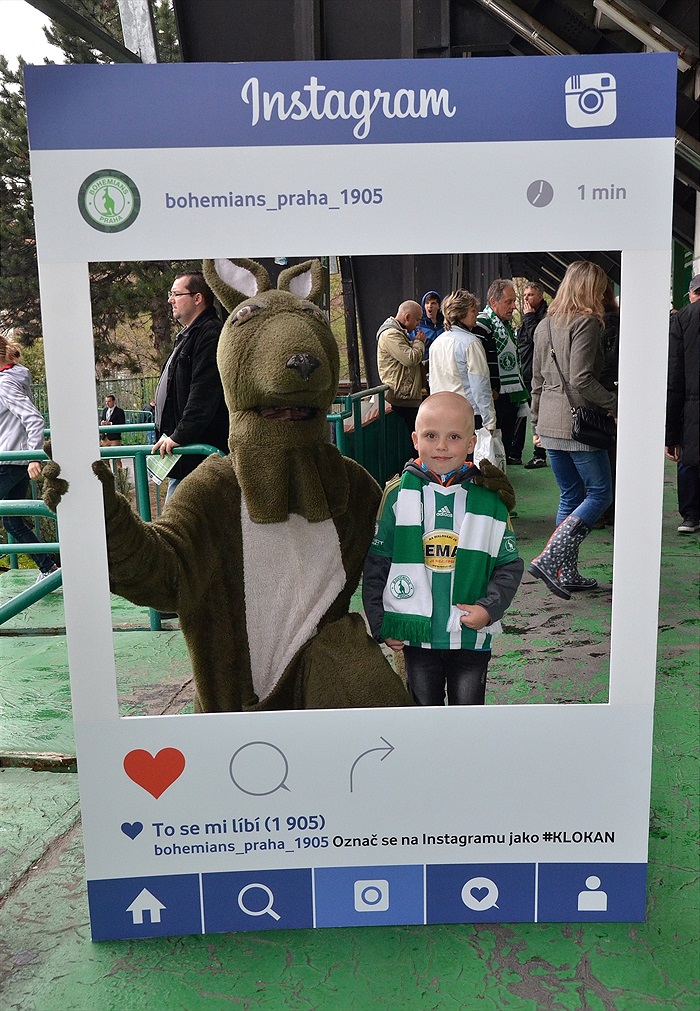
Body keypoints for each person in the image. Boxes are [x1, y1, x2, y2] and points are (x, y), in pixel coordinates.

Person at [363, 392, 523, 706]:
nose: (441, 446)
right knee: (425, 714)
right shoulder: (396, 495)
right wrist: (381, 623)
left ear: (471, 443)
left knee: (468, 719)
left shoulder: (489, 499)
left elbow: (509, 566)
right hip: (417, 639)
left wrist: (489, 608)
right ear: (415, 439)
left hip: (469, 638)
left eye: (453, 437)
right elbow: (378, 563)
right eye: (431, 436)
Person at [528, 261, 617, 599]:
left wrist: (537, 423)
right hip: (577, 425)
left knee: (570, 494)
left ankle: (566, 571)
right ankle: (551, 558)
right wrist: (614, 403)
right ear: (589, 288)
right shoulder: (587, 323)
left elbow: (536, 380)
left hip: (550, 424)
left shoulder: (544, 325)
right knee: (600, 493)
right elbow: (582, 379)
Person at [153, 271, 229, 501]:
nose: (170, 300)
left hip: (198, 454)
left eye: (176, 294)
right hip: (186, 454)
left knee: (179, 527)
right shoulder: (188, 334)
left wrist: (179, 436)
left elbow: (204, 393)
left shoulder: (210, 334)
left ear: (198, 298)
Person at [0, 335, 59, 584]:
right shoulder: (14, 376)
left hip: (10, 461)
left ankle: (49, 568)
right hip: (15, 460)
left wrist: (33, 457)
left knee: (12, 520)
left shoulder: (4, 382)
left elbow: (34, 419)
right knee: (12, 521)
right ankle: (49, 569)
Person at [474, 279, 529, 464]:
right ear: (493, 302)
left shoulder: (505, 325)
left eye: (514, 301)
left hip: (509, 392)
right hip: (494, 394)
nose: (513, 306)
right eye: (509, 302)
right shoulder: (482, 323)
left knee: (503, 441)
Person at [429, 290, 496, 431]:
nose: (477, 314)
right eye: (473, 310)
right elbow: (480, 385)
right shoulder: (471, 343)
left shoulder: (436, 343)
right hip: (468, 415)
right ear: (461, 314)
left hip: (440, 414)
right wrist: (489, 421)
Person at [665, 275, 700, 534]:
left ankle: (690, 515)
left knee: (688, 457)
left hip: (691, 405)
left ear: (691, 294)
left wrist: (670, 435)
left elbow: (675, 376)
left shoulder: (681, 319)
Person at [376, 300, 425, 443]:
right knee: (413, 441)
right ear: (407, 317)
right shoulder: (391, 335)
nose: (418, 324)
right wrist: (419, 342)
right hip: (401, 399)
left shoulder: (399, 333)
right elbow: (410, 359)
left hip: (407, 398)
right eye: (417, 320)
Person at [514, 282, 548, 469]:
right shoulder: (529, 317)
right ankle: (517, 452)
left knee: (538, 414)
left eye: (531, 295)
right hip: (526, 373)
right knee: (528, 413)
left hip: (539, 374)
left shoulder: (544, 316)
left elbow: (539, 339)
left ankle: (540, 454)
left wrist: (528, 318)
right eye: (525, 295)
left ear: (540, 297)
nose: (526, 298)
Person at [415, 290, 444, 390]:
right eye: (427, 303)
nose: (429, 306)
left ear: (439, 306)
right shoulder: (418, 326)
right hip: (424, 370)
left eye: (433, 303)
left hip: (442, 370)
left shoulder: (445, 325)